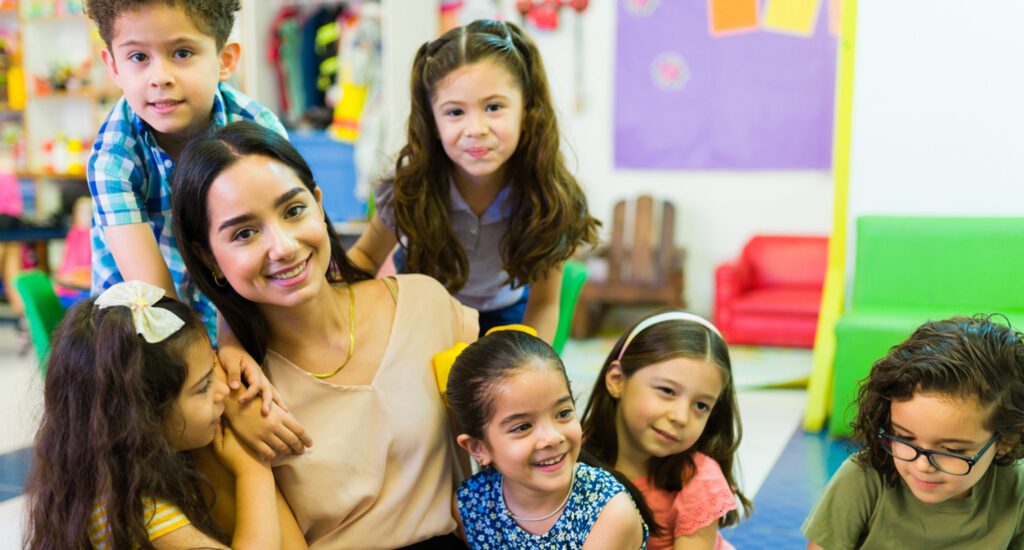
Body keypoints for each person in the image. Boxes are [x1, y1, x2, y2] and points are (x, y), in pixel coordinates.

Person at [172, 120, 478, 548]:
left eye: (293, 210)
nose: (283, 247)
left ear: (318, 204)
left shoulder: (425, 306)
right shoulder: (228, 397)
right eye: (244, 233)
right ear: (209, 259)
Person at [84, 0, 310, 462]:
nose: (159, 76)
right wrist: (217, 387)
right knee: (167, 452)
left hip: (238, 304)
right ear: (112, 65)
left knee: (263, 432)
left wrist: (231, 346)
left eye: (182, 53)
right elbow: (157, 302)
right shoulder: (112, 158)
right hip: (145, 329)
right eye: (138, 57)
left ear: (225, 59)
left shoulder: (257, 131)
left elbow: (255, 248)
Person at [347, 19, 600, 342]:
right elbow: (365, 258)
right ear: (432, 121)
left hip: (507, 315)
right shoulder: (408, 188)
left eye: (493, 107)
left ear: (527, 110)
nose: (476, 128)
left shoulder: (552, 197)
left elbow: (545, 303)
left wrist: (534, 369)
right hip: (424, 313)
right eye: (455, 112)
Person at [23, 280, 304, 549]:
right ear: (145, 416)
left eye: (214, 365)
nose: (223, 392)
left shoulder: (128, 467)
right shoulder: (128, 509)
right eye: (203, 386)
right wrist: (253, 470)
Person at [803, 316, 1024, 549]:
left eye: (952, 450)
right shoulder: (863, 480)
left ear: (1007, 439)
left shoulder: (1015, 490)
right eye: (905, 438)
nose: (922, 466)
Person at [447, 328, 650, 548]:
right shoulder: (471, 505)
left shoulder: (609, 510)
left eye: (563, 413)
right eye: (523, 426)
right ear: (478, 447)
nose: (553, 438)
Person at [581, 311, 751, 550]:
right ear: (617, 380)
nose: (681, 417)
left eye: (701, 405)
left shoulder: (697, 479)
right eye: (667, 391)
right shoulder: (571, 453)